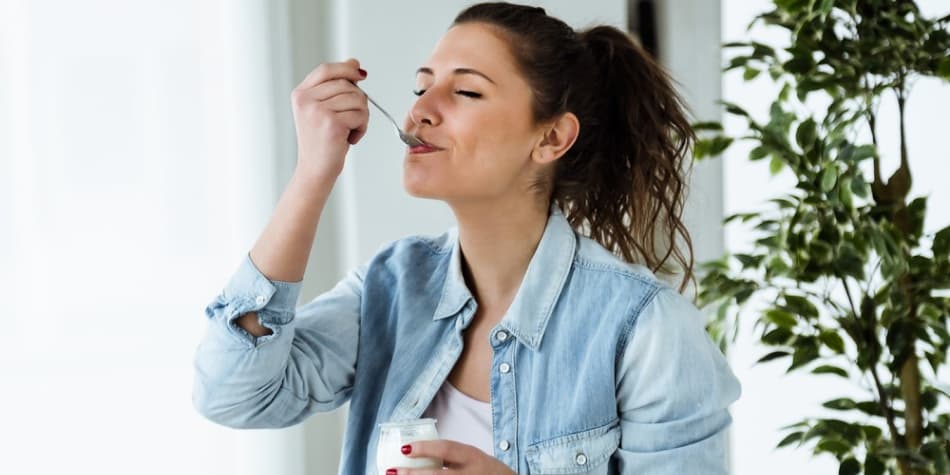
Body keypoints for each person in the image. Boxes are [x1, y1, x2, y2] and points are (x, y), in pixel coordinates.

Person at [193, 2, 741, 474]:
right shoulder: (390, 290)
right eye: (420, 85)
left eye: (466, 92)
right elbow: (234, 394)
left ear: (551, 137)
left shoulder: (645, 328)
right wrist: (313, 173)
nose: (420, 111)